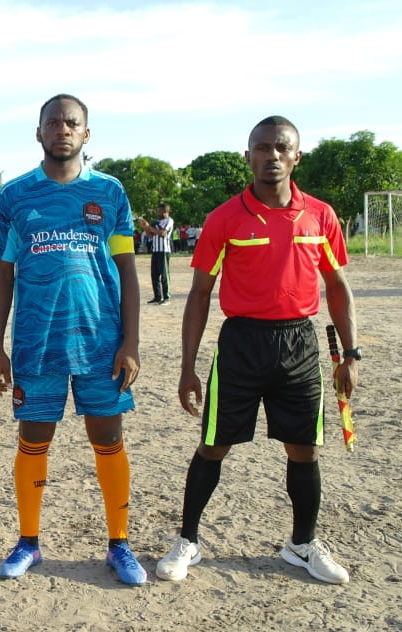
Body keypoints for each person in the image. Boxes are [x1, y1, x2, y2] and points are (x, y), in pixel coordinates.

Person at [157, 115, 359, 585]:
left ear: (296, 156)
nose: (271, 156)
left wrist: (351, 353)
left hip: (300, 343)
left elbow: (338, 285)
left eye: (281, 148)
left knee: (304, 450)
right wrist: (188, 367)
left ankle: (302, 545)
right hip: (241, 344)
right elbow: (201, 294)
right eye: (262, 148)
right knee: (213, 445)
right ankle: (188, 540)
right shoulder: (225, 218)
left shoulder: (321, 216)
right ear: (248, 156)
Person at [0, 94, 147, 586]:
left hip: (102, 343)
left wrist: (132, 342)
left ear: (86, 134)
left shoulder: (110, 192)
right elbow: (1, 274)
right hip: (37, 344)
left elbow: (127, 270)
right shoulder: (14, 197)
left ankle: (119, 544)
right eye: (52, 122)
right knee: (34, 438)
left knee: (108, 438)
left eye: (72, 122)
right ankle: (28, 542)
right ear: (38, 133)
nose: (62, 129)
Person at [139, 203, 174, 304]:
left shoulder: (169, 221)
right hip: (155, 251)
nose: (157, 213)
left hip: (164, 251)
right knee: (154, 275)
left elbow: (163, 233)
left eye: (159, 211)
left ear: (165, 211)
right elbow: (150, 235)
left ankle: (166, 297)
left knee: (164, 275)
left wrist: (149, 227)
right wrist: (145, 227)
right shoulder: (156, 222)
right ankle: (157, 297)